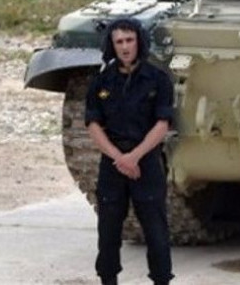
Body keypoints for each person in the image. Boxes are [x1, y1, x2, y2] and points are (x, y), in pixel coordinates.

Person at [84, 17, 175, 285]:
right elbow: (93, 124)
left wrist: (134, 157)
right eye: (119, 42)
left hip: (146, 161)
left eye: (130, 40)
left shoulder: (157, 79)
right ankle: (108, 279)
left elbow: (162, 124)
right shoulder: (101, 81)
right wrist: (120, 158)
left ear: (139, 42)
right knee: (108, 230)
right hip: (113, 163)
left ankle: (161, 280)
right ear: (112, 45)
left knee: (156, 230)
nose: (125, 47)